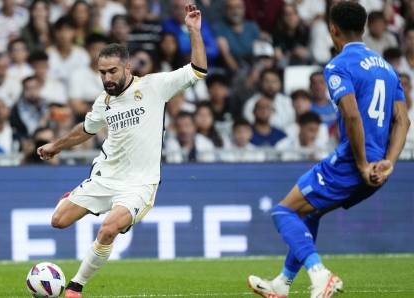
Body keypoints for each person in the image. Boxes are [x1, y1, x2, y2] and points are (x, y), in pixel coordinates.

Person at [36, 4, 207, 297]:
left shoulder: (155, 86)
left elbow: (198, 70)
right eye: (102, 72)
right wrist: (55, 146)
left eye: (112, 71)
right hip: (106, 176)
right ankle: (76, 196)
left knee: (107, 230)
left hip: (139, 183)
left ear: (127, 68)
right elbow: (85, 130)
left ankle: (75, 287)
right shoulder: (104, 102)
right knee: (57, 222)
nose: (107, 78)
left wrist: (193, 31)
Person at [247, 2, 411, 298]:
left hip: (352, 162)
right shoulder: (388, 68)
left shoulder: (338, 65)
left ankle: (320, 275)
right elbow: (403, 119)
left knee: (283, 211)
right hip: (378, 169)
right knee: (310, 213)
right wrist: (389, 162)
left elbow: (351, 115)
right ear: (363, 30)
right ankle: (282, 284)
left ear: (332, 30)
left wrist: (361, 163)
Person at [161, 0, 219, 65]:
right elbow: (176, 50)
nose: (180, 12)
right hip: (179, 66)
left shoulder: (202, 23)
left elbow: (214, 51)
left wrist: (190, 50)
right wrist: (201, 47)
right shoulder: (168, 25)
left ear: (192, 9)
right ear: (172, 9)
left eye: (184, 8)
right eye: (176, 8)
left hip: (207, 66)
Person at [69, 33, 108, 123]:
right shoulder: (77, 74)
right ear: (87, 51)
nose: (99, 54)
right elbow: (77, 107)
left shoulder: (116, 74)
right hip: (86, 120)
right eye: (95, 49)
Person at [213, 0, 261, 73]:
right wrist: (239, 73)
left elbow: (259, 53)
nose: (235, 11)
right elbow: (225, 54)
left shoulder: (253, 27)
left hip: (252, 66)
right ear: (225, 10)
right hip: (230, 69)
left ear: (244, 9)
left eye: (238, 7)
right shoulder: (219, 27)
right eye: (230, 8)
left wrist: (255, 72)